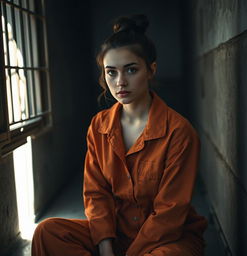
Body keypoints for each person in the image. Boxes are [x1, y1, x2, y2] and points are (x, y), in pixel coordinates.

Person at [32, 14, 208, 256]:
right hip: (117, 234)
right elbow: (96, 193)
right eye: (111, 72)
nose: (120, 82)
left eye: (131, 70)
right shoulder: (99, 126)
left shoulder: (179, 132)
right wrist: (106, 247)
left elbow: (171, 211)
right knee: (47, 232)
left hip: (166, 239)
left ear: (151, 70)